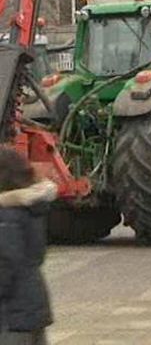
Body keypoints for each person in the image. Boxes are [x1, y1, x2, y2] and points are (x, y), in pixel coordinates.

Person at [0, 147, 57, 345]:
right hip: (33, 307)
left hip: (11, 316)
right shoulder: (31, 209)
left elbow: (5, 264)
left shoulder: (7, 216)